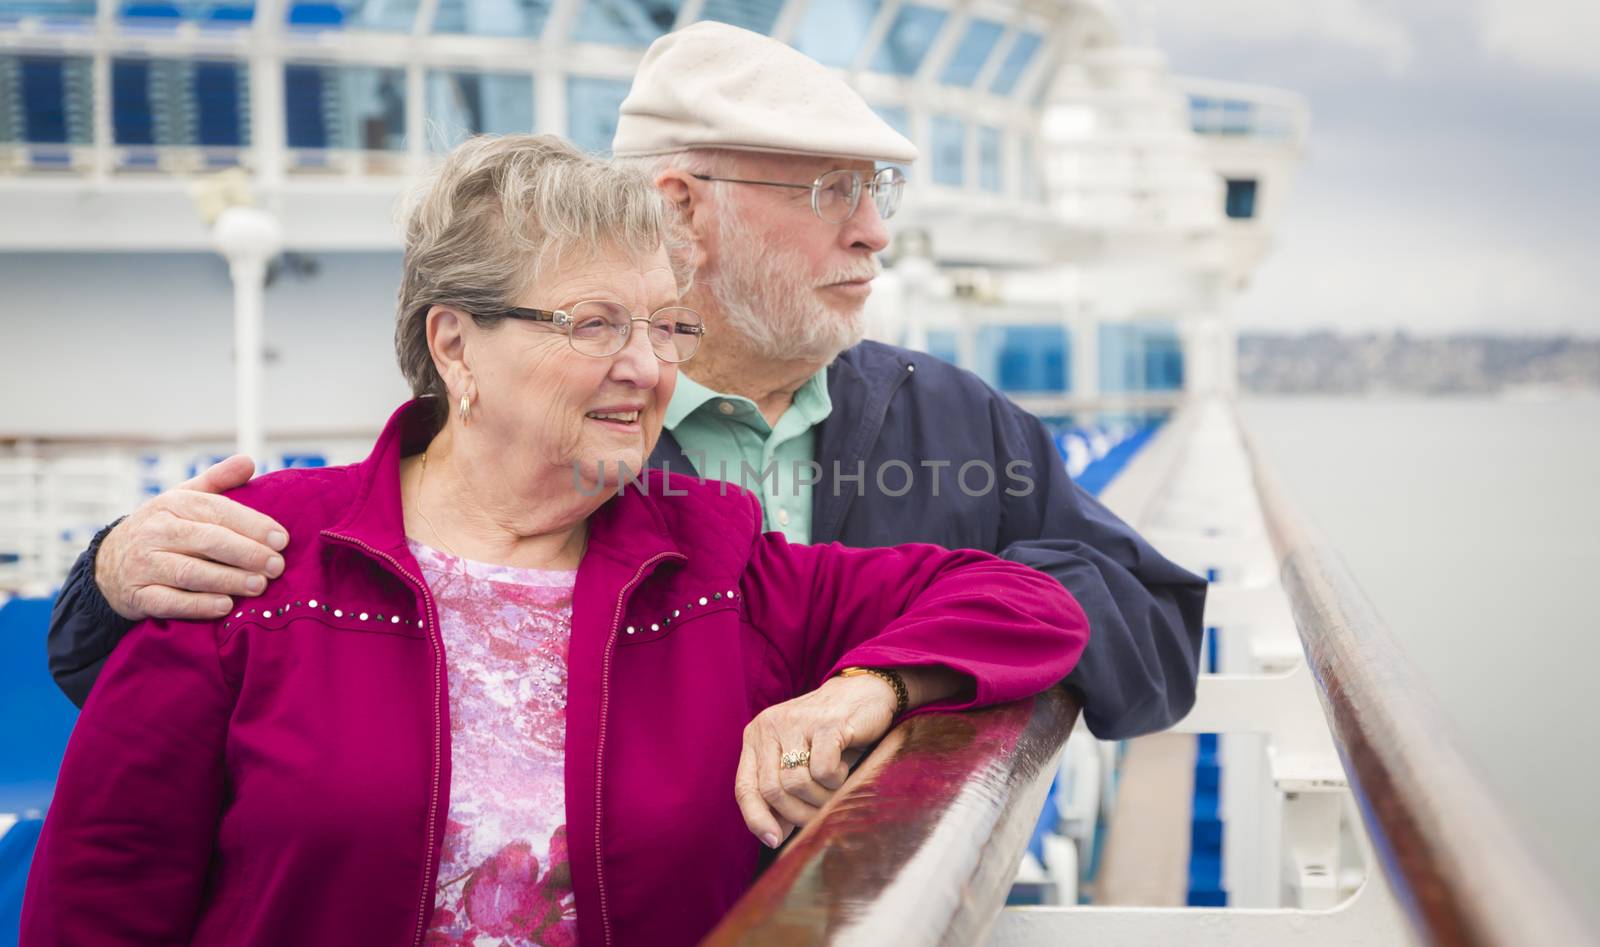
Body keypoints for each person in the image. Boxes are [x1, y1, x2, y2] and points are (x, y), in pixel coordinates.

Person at [21, 135, 1086, 947]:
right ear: (456, 344)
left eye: (666, 326)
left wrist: (865, 690)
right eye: (594, 323)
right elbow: (103, 894)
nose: (648, 365)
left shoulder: (714, 566)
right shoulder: (257, 562)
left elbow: (1025, 601)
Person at [46, 23, 1204, 740]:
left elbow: (1151, 629)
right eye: (828, 192)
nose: (872, 236)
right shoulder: (540, 426)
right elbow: (219, 652)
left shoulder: (954, 418)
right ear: (681, 210)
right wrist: (113, 573)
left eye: (878, 195)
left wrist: (902, 675)